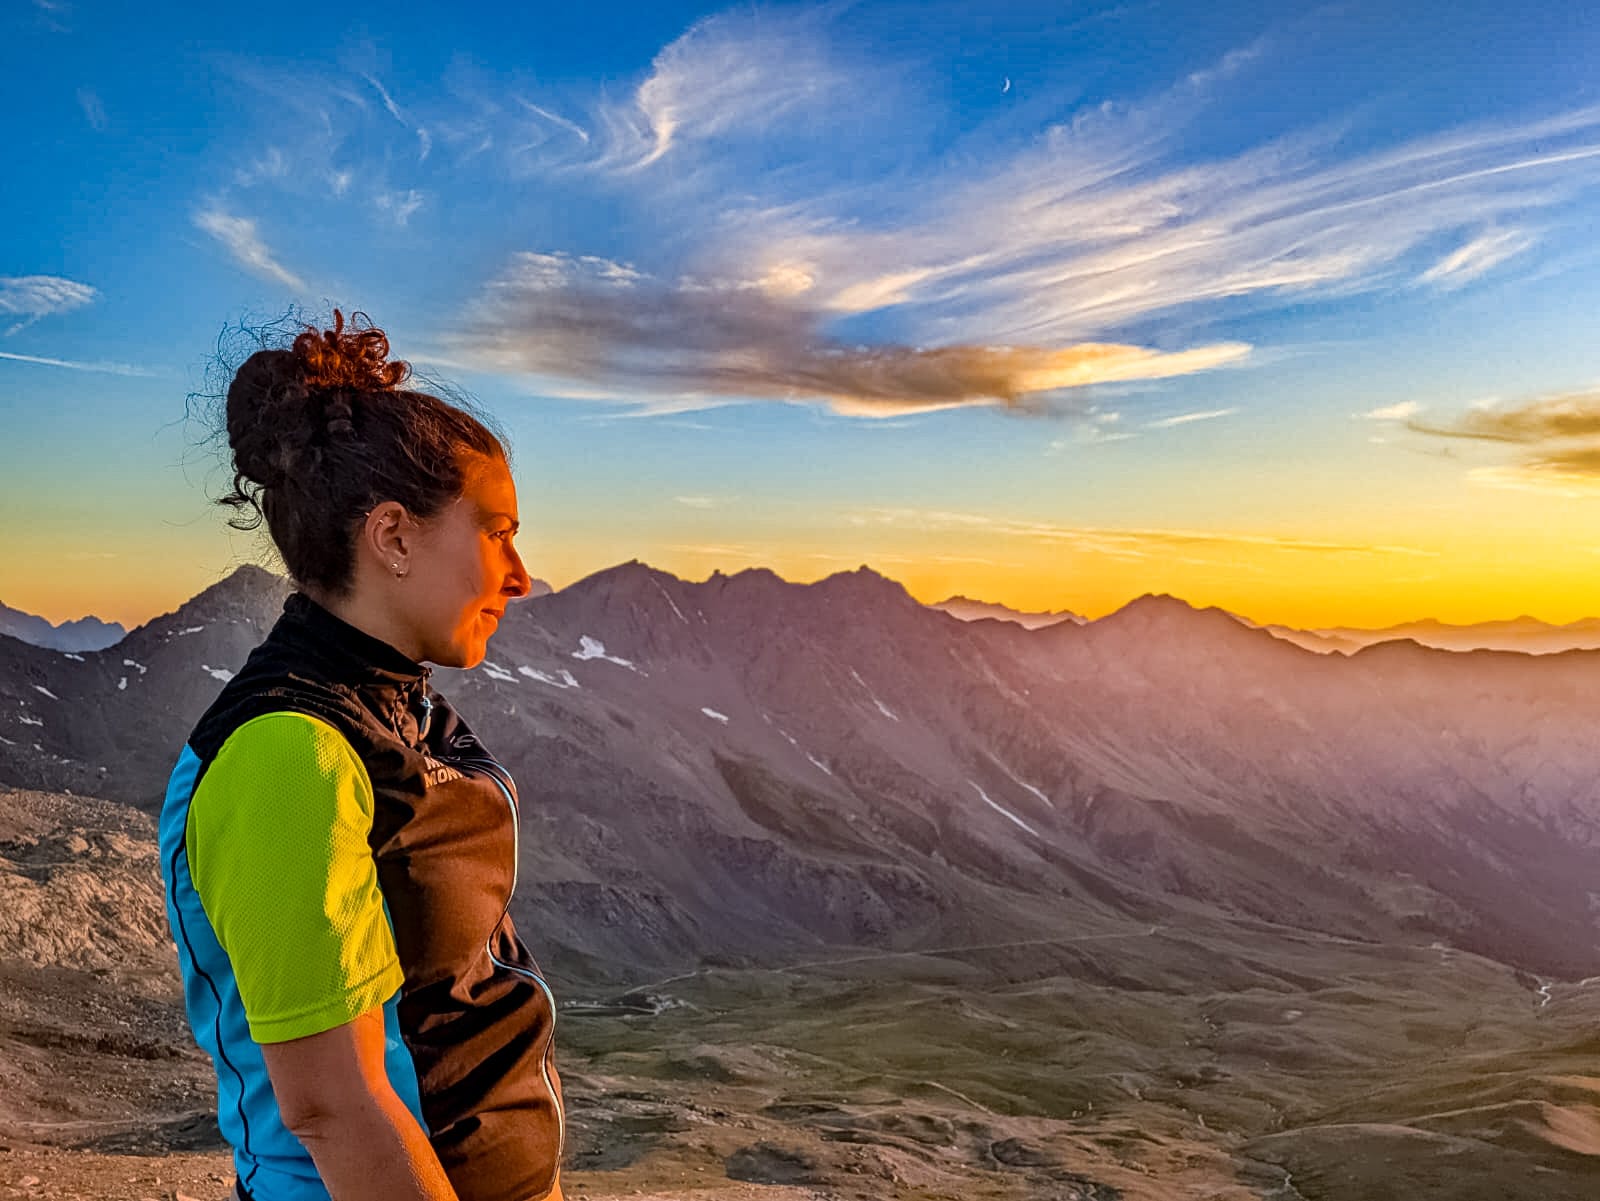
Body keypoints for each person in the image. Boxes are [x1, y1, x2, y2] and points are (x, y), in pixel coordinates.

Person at [159, 311, 563, 1201]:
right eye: (497, 531)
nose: (520, 573)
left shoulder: (392, 710)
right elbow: (334, 1107)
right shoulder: (286, 750)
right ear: (395, 536)